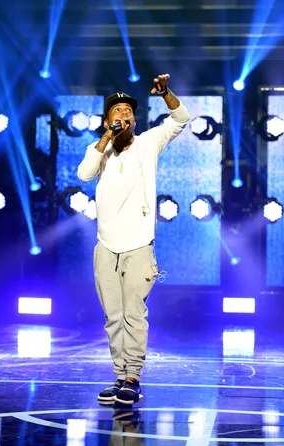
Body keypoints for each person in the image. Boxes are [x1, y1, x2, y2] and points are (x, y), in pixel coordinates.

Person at [78, 74, 190, 405]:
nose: (123, 115)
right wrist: (104, 141)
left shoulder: (148, 142)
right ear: (107, 119)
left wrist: (166, 92)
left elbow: (181, 119)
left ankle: (132, 377)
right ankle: (118, 375)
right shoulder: (99, 151)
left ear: (134, 119)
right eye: (117, 111)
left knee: (133, 313)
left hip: (138, 244)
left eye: (128, 111)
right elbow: (84, 174)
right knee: (113, 316)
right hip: (106, 246)